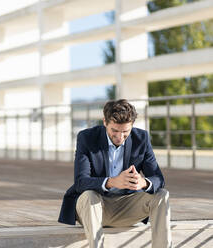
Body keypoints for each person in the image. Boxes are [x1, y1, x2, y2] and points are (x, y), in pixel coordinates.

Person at [58, 99, 171, 248]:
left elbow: (158, 179)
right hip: (94, 208)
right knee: (88, 196)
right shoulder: (86, 138)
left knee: (162, 194)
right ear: (105, 122)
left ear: (132, 125)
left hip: (127, 208)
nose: (120, 137)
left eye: (125, 132)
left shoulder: (141, 138)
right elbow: (81, 182)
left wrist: (143, 182)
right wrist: (112, 181)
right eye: (115, 131)